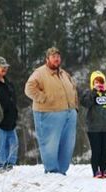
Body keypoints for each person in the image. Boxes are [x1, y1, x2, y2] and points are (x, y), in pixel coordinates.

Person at [25, 47, 78, 175]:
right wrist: (44, 98)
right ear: (47, 59)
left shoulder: (64, 73)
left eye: (58, 56)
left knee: (67, 145)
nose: (56, 59)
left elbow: (74, 89)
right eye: (53, 56)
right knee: (50, 144)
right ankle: (51, 171)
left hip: (69, 113)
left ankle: (61, 171)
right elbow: (29, 88)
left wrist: (75, 108)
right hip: (49, 113)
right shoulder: (39, 73)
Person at [81, 71, 106, 178]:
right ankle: (95, 171)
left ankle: (103, 170)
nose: (98, 84)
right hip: (93, 128)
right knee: (96, 150)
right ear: (93, 82)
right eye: (96, 82)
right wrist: (94, 91)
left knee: (104, 150)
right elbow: (86, 103)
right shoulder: (89, 93)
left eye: (101, 81)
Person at [0, 57, 19, 173]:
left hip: (11, 120)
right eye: (2, 67)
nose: (5, 69)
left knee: (14, 143)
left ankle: (9, 166)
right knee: (0, 144)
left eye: (6, 67)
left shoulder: (8, 82)